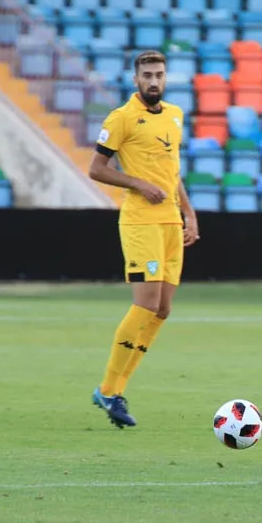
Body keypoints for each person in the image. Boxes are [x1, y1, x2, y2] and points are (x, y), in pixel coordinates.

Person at [87, 50, 200, 428]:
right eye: (147, 75)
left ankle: (115, 389)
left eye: (159, 75)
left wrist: (189, 213)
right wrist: (137, 183)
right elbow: (96, 168)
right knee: (146, 304)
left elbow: (173, 172)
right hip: (140, 222)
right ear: (135, 79)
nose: (154, 81)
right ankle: (109, 390)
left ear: (166, 78)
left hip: (170, 222)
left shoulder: (175, 115)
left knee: (162, 309)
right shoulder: (121, 118)